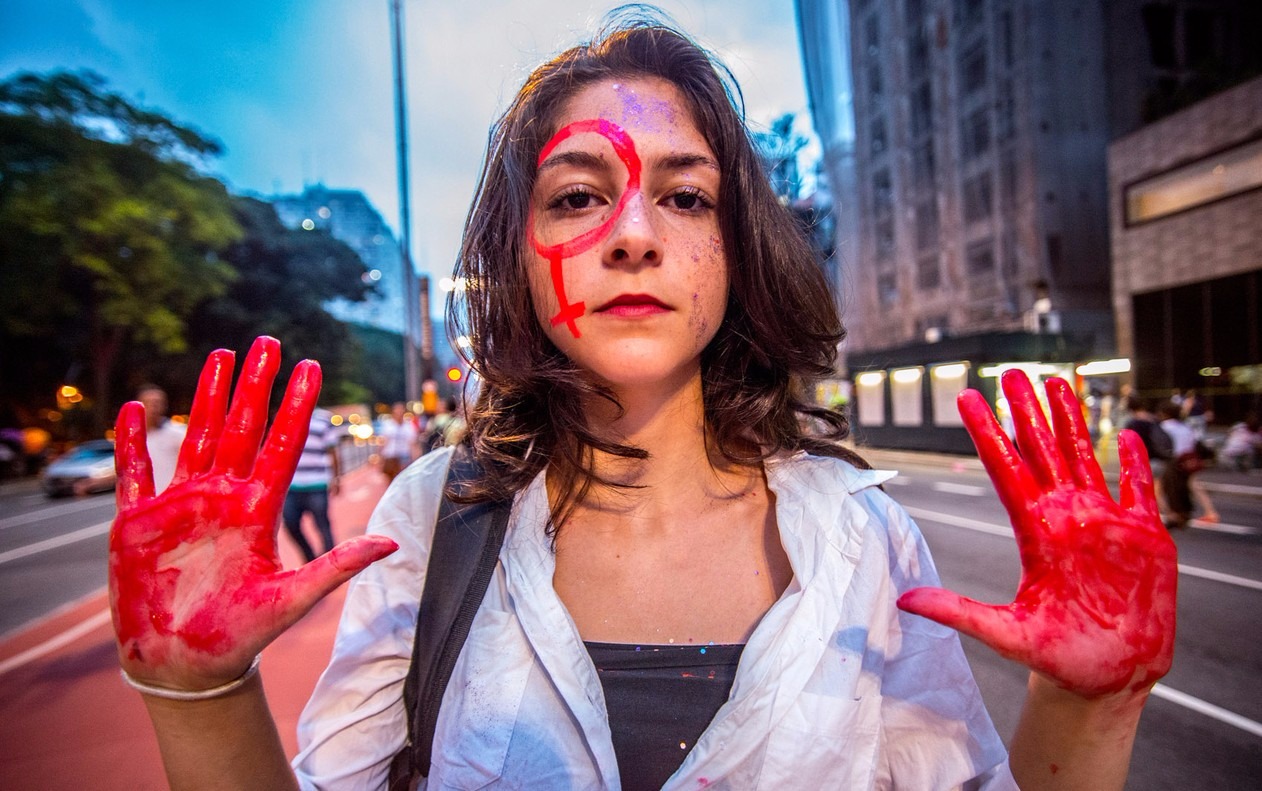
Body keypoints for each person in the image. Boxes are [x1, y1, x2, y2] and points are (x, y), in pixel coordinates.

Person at [105, 15, 1176, 791]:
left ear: (735, 247)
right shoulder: (429, 520)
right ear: (516, 258)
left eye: (683, 194)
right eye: (575, 194)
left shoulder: (862, 539)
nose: (629, 233)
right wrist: (199, 688)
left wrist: (1090, 703)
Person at [280, 406, 342, 563]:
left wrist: (336, 478)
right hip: (293, 485)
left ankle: (331, 565)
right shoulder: (288, 418)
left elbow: (333, 451)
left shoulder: (323, 420)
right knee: (290, 523)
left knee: (322, 525)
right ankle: (309, 558)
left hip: (317, 483)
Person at [1158, 400, 1218, 527]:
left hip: (1172, 463)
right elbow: (1195, 443)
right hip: (1187, 462)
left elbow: (1160, 444)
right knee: (1194, 486)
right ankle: (1210, 512)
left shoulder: (1164, 427)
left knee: (1158, 489)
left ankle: (1170, 514)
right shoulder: (1185, 427)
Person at [135, 384, 185, 494]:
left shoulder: (178, 433)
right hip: (145, 502)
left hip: (174, 498)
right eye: (148, 403)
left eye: (157, 403)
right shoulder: (134, 438)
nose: (154, 407)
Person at [378, 401, 418, 481]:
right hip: (391, 455)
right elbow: (384, 441)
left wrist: (415, 458)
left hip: (404, 455)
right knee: (391, 479)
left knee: (404, 478)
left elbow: (412, 443)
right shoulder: (388, 425)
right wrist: (380, 456)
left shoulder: (408, 426)